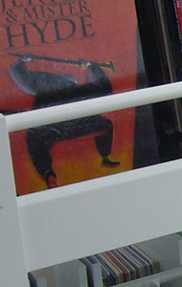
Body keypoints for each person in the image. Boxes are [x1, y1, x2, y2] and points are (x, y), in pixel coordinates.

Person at [7, 56, 122, 190]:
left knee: (35, 137)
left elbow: (19, 76)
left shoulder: (45, 85)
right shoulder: (70, 88)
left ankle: (48, 172)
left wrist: (22, 61)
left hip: (52, 128)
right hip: (70, 126)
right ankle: (105, 157)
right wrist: (92, 67)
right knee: (105, 124)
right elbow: (104, 88)